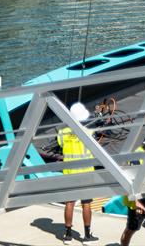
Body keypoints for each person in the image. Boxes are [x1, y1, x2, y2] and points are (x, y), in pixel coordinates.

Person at [57, 103, 99, 245]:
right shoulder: (89, 132)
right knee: (86, 204)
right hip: (86, 173)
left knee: (69, 203)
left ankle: (67, 235)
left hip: (69, 173)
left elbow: (61, 145)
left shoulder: (62, 133)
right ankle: (87, 236)